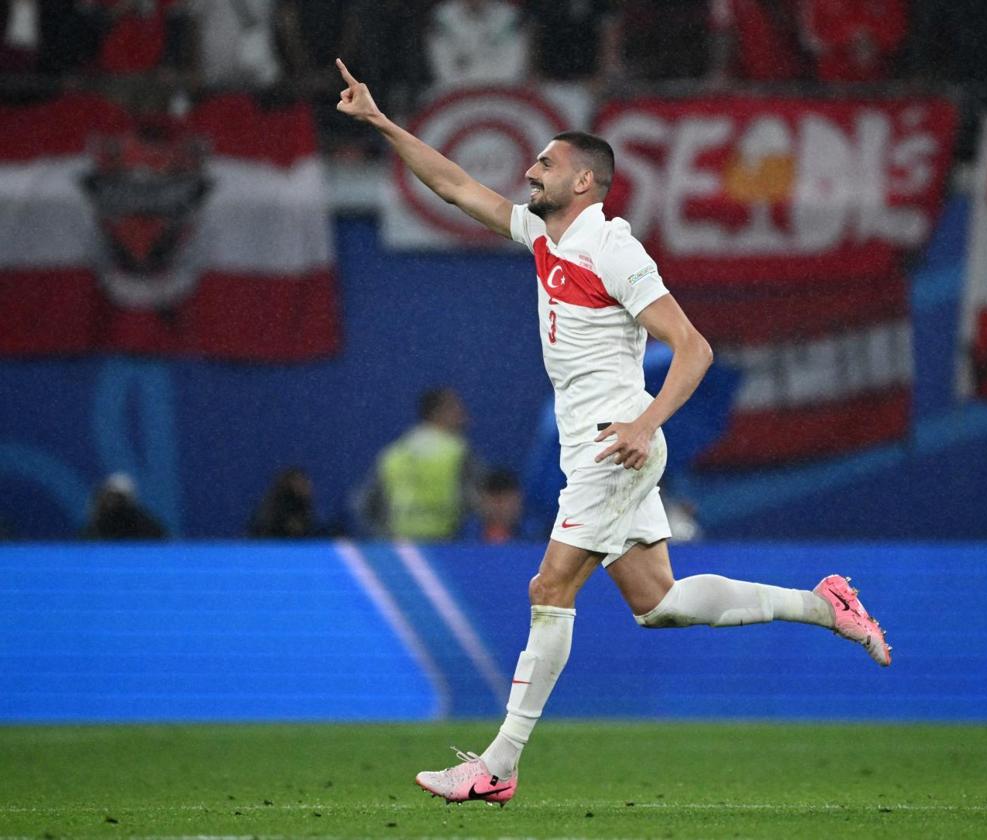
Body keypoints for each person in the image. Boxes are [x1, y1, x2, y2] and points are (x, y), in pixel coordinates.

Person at [334, 56, 891, 805]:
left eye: (546, 162)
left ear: (585, 182)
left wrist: (646, 420)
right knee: (658, 602)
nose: (530, 169)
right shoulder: (543, 236)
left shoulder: (613, 249)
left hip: (614, 442)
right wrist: (378, 121)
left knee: (550, 584)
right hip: (592, 444)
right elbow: (455, 185)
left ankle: (498, 764)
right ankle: (826, 606)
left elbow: (694, 349)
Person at [364, 387, 474, 541]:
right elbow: (478, 501)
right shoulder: (458, 452)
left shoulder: (394, 453)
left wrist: (385, 538)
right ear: (436, 413)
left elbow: (366, 505)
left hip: (401, 547)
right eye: (456, 409)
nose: (464, 416)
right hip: (444, 547)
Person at [80, 472, 167, 540]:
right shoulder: (94, 529)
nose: (113, 502)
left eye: (119, 498)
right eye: (109, 497)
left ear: (129, 500)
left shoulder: (147, 527)